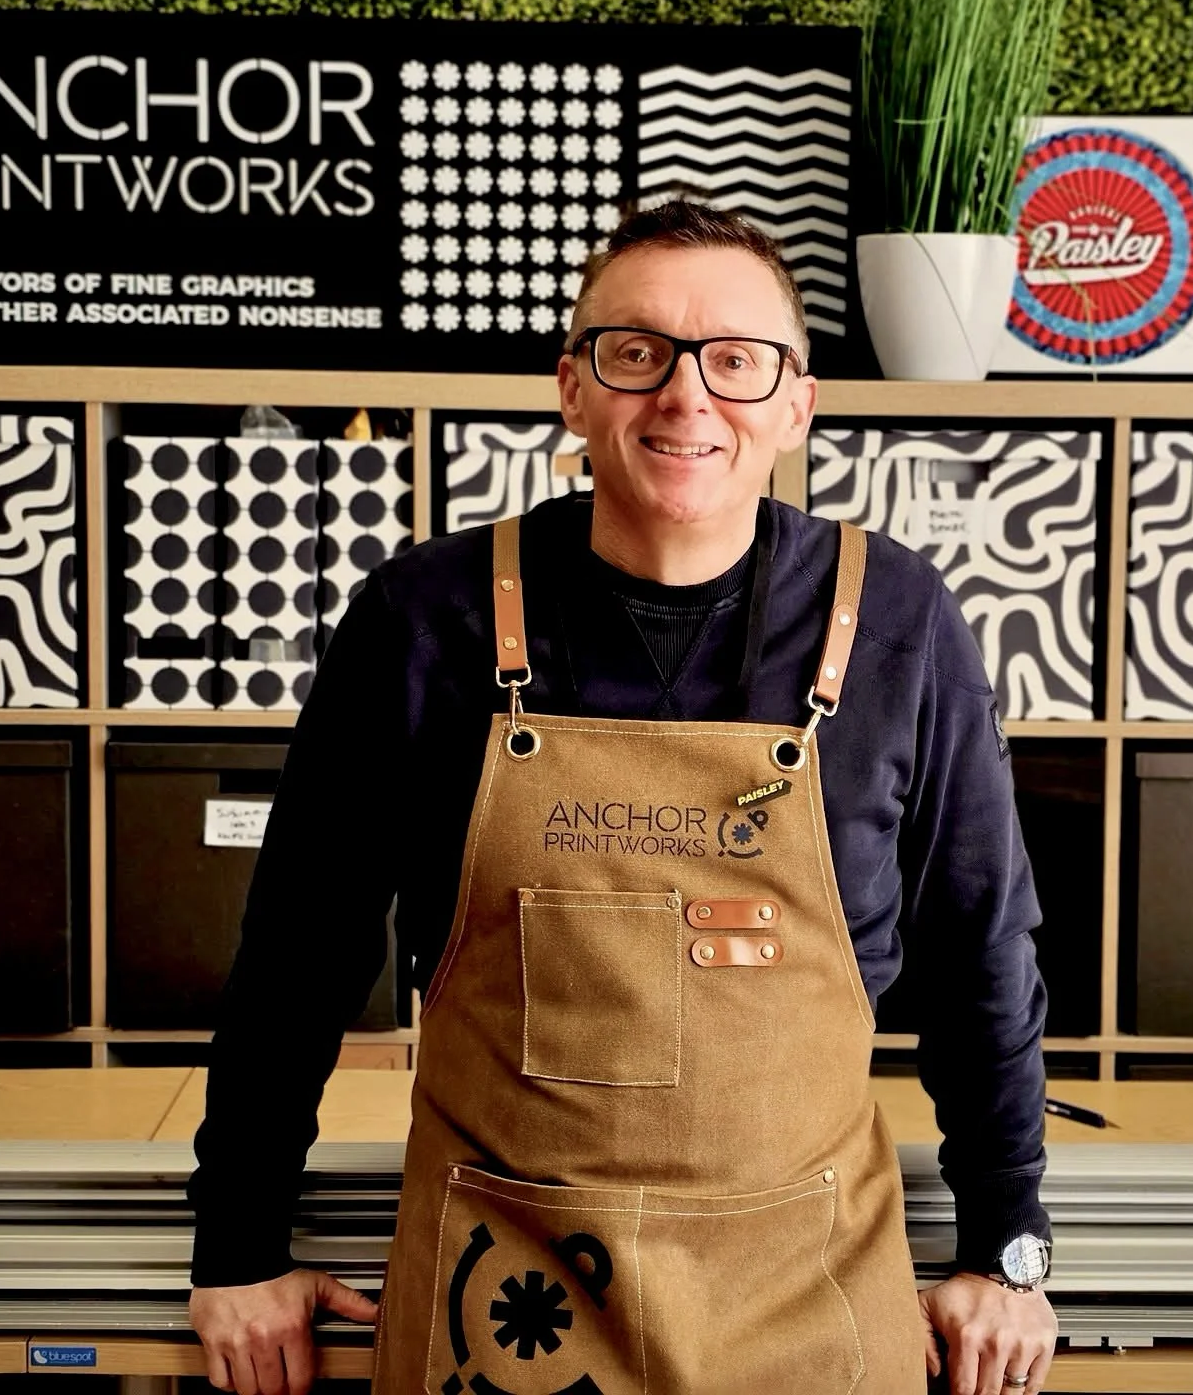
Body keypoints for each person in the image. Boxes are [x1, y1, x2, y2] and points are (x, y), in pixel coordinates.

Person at [187, 200, 1056, 1395]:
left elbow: (981, 959)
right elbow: (297, 952)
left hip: (802, 1292)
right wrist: (236, 1241)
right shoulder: (421, 619)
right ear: (572, 389)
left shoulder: (899, 622)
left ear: (796, 404)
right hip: (501, 1296)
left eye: (736, 361)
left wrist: (1004, 1252)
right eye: (634, 352)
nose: (686, 398)